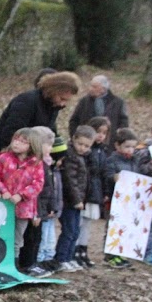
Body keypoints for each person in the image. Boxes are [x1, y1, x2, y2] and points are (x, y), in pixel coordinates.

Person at [0, 71, 82, 158]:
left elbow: (50, 132)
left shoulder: (52, 106)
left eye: (66, 100)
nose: (63, 104)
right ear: (53, 90)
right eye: (62, 99)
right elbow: (10, 132)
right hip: (2, 153)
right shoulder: (27, 101)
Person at [0, 127, 45, 266]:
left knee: (17, 238)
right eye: (16, 139)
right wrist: (3, 191)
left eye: (23, 142)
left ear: (32, 145)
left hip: (23, 209)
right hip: (3, 205)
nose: (17, 143)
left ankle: (13, 265)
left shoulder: (36, 163)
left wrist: (21, 195)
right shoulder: (3, 158)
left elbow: (38, 184)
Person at [53, 125, 94, 273]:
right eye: (80, 144)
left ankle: (69, 257)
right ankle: (61, 258)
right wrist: (77, 199)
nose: (83, 148)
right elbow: (70, 181)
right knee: (69, 230)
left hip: (78, 201)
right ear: (73, 139)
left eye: (87, 146)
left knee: (76, 231)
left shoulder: (83, 157)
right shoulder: (70, 156)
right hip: (69, 201)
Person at [74, 117, 110, 267]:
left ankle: (83, 249)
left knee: (88, 223)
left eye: (104, 133)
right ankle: (74, 250)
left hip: (96, 191)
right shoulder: (88, 152)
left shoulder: (103, 152)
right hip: (85, 191)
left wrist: (105, 191)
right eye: (98, 131)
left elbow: (104, 173)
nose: (100, 135)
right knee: (80, 222)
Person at [102, 128, 140, 268]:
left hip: (129, 200)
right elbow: (107, 175)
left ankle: (120, 253)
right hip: (114, 199)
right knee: (113, 227)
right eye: (127, 146)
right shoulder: (112, 160)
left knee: (124, 227)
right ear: (118, 145)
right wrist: (114, 177)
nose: (130, 150)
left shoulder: (134, 161)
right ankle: (110, 255)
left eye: (133, 147)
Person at [68, 75, 130, 148]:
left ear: (103, 89)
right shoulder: (84, 101)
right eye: (90, 86)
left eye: (94, 87)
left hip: (108, 144)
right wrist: (76, 136)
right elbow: (74, 120)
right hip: (85, 144)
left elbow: (124, 122)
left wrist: (118, 139)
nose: (90, 89)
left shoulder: (118, 102)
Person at [36, 132, 64, 273]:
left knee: (49, 235)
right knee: (42, 235)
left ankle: (47, 258)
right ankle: (40, 260)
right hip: (41, 207)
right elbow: (44, 189)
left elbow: (52, 190)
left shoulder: (50, 166)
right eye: (48, 145)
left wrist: (53, 206)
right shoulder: (40, 166)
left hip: (50, 207)